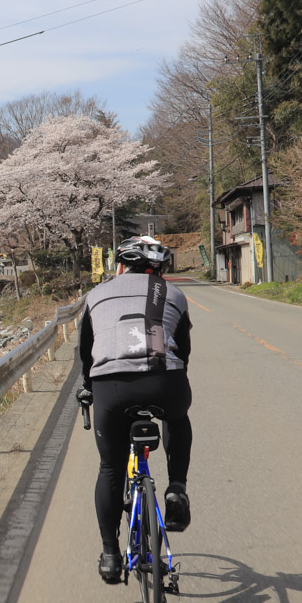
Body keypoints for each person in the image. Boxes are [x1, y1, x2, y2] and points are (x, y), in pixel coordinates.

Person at [76, 236, 193, 584]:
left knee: (110, 468)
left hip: (111, 388)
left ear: (121, 267)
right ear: (159, 270)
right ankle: (177, 488)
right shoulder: (173, 294)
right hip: (164, 382)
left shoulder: (95, 296)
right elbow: (183, 352)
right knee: (176, 416)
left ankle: (111, 556)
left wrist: (86, 388)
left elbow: (85, 353)